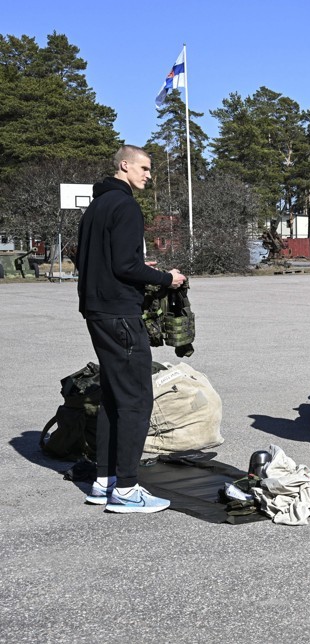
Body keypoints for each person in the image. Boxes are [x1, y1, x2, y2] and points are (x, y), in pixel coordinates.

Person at [76, 145, 186, 513]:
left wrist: (139, 264)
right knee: (136, 400)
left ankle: (104, 480)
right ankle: (126, 489)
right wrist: (165, 277)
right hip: (120, 314)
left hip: (97, 310)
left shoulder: (97, 206)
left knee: (112, 397)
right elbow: (125, 266)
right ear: (124, 165)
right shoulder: (125, 206)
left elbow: (102, 258)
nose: (149, 174)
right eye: (144, 167)